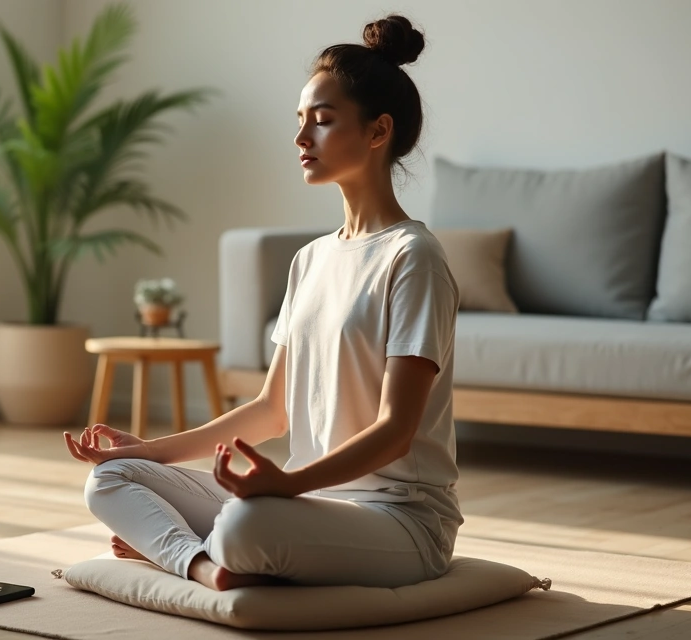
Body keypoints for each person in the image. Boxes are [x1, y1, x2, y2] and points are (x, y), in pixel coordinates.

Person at [64, 14, 462, 593]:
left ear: (378, 132)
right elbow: (271, 410)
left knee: (247, 522)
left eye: (322, 122)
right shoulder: (310, 260)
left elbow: (396, 430)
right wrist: (150, 449)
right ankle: (204, 566)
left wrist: (286, 485)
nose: (301, 139)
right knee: (113, 477)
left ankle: (176, 551)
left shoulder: (413, 258)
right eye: (300, 122)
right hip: (308, 506)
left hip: (400, 521)